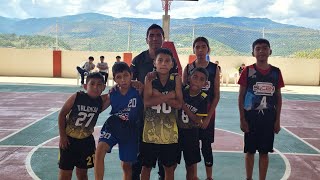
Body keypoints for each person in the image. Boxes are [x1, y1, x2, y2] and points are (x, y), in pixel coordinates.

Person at [130, 23, 178, 180]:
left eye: (158, 35)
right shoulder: (138, 60)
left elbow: (177, 92)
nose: (155, 38)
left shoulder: (172, 61)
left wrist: (162, 95)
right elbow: (128, 82)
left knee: (167, 165)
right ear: (146, 39)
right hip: (143, 117)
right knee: (142, 161)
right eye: (152, 35)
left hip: (166, 118)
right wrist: (139, 85)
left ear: (163, 39)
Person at [238, 38, 284, 180]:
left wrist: (277, 120)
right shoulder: (248, 71)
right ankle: (249, 178)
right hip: (251, 117)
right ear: (253, 53)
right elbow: (241, 96)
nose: (261, 51)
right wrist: (242, 119)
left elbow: (278, 97)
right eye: (258, 49)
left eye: (265, 48)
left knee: (264, 152)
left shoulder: (276, 72)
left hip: (268, 118)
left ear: (270, 51)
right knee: (250, 151)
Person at [95, 62, 143, 180]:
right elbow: (98, 109)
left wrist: (138, 83)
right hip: (114, 126)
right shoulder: (113, 93)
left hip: (130, 130)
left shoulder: (139, 90)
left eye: (126, 75)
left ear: (131, 75)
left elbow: (148, 92)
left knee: (127, 166)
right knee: (100, 150)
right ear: (115, 79)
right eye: (119, 77)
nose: (123, 80)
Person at [140, 48, 183, 180]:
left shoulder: (175, 79)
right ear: (155, 63)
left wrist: (157, 95)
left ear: (172, 64)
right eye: (160, 60)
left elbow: (179, 104)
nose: (163, 63)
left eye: (167, 61)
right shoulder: (150, 78)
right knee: (146, 167)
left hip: (169, 132)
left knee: (169, 168)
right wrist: (168, 96)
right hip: (150, 131)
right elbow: (147, 102)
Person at [182, 37, 220, 180]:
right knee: (192, 145)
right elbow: (184, 92)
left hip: (207, 112)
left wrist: (209, 116)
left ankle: (209, 176)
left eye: (203, 47)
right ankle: (194, 176)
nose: (200, 50)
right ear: (193, 49)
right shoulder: (188, 68)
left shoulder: (214, 68)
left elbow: (216, 95)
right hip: (191, 113)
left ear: (208, 49)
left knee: (206, 146)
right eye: (197, 47)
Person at [58, 72, 107, 180]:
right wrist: (62, 136)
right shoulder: (77, 97)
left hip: (86, 142)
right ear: (85, 86)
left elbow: (115, 93)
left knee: (82, 174)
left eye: (99, 84)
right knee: (65, 175)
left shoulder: (100, 102)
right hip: (69, 141)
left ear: (104, 87)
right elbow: (62, 114)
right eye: (92, 84)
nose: (95, 87)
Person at [177, 67, 209, 180]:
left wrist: (184, 106)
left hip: (191, 134)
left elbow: (197, 120)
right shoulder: (182, 90)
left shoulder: (203, 97)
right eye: (195, 77)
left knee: (190, 166)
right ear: (189, 78)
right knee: (171, 163)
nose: (197, 81)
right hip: (176, 133)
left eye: (201, 79)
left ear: (205, 83)